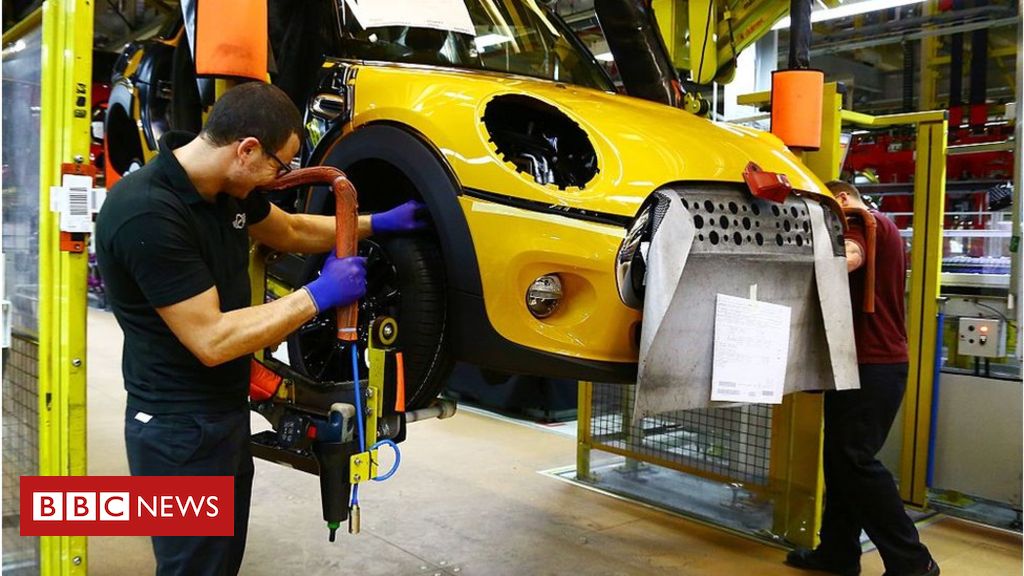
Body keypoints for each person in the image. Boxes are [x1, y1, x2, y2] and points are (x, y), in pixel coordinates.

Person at [95, 82, 429, 576]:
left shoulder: (226, 190)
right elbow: (211, 339)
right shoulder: (147, 212)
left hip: (223, 415)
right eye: (281, 165)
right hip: (176, 431)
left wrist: (376, 224)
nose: (282, 177)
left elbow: (290, 229)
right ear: (247, 150)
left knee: (220, 562)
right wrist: (317, 295)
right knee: (192, 568)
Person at [785, 181, 939, 576]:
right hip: (866, 363)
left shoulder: (859, 220)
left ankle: (913, 562)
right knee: (841, 462)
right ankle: (837, 552)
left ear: (839, 199)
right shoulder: (888, 226)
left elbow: (850, 255)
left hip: (871, 364)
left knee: (854, 460)